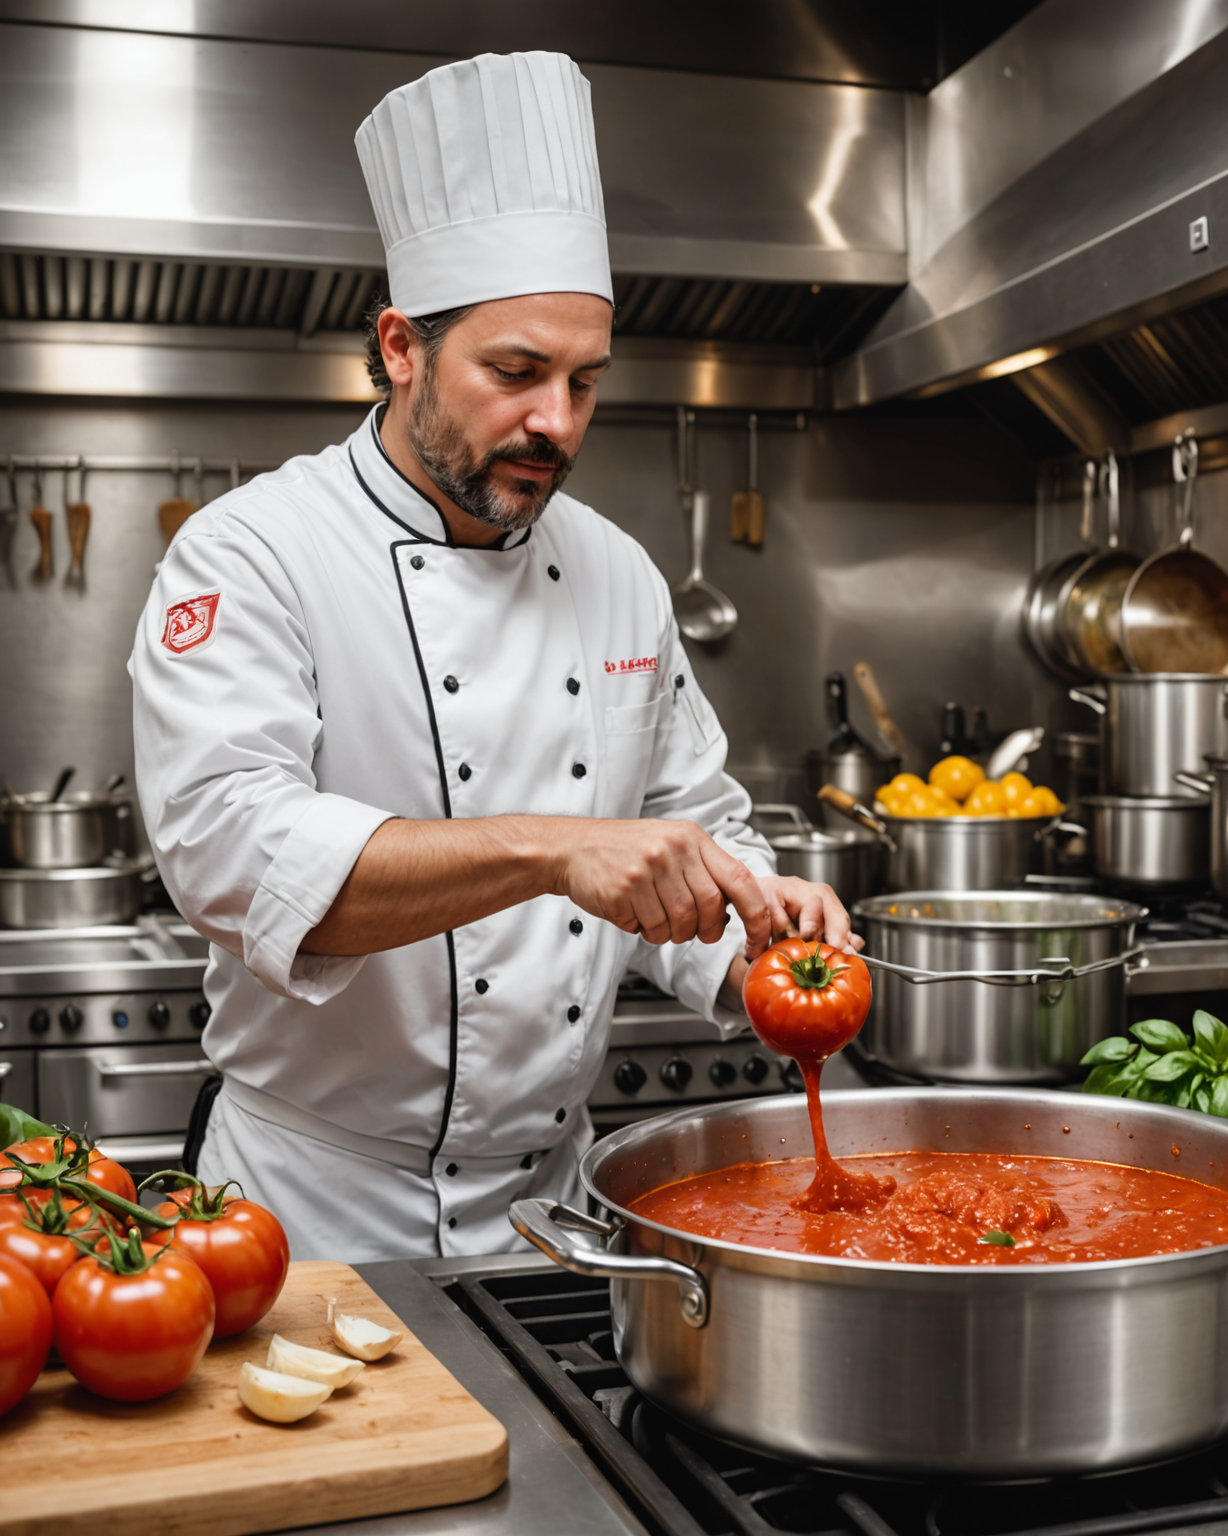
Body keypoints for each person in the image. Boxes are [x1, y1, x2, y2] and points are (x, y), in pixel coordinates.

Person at [128, 51, 854, 1261]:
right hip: (308, 1214)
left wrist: (760, 933)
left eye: (584, 382)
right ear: (402, 345)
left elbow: (693, 821)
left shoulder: (619, 571)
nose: (556, 424)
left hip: (554, 1210)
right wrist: (555, 851)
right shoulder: (253, 552)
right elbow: (233, 860)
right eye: (515, 373)